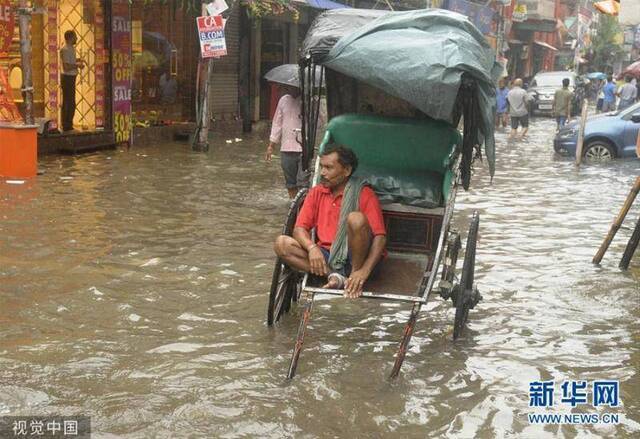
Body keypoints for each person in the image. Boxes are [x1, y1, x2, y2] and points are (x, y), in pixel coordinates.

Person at [273, 145, 387, 298]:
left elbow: (380, 237)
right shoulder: (317, 192)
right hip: (326, 256)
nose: (323, 173)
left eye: (328, 168)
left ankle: (353, 277)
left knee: (356, 218)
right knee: (282, 244)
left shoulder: (364, 193)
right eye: (321, 167)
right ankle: (334, 275)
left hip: (357, 256)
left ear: (346, 171)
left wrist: (363, 271)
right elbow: (299, 229)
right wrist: (312, 247)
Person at [265, 85, 306, 199]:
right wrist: (271, 146)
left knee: (303, 182)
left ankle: (303, 206)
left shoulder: (307, 101)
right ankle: (293, 204)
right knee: (290, 183)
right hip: (286, 148)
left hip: (304, 148)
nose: (291, 89)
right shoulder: (283, 101)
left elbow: (319, 123)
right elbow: (277, 123)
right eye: (289, 87)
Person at [60, 30, 84, 132]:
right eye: (75, 37)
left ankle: (68, 124)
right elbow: (66, 67)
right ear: (70, 38)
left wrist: (77, 60)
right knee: (68, 102)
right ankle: (66, 125)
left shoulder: (71, 49)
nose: (76, 39)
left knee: (70, 102)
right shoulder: (65, 50)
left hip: (71, 78)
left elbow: (70, 62)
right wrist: (77, 65)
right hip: (67, 78)